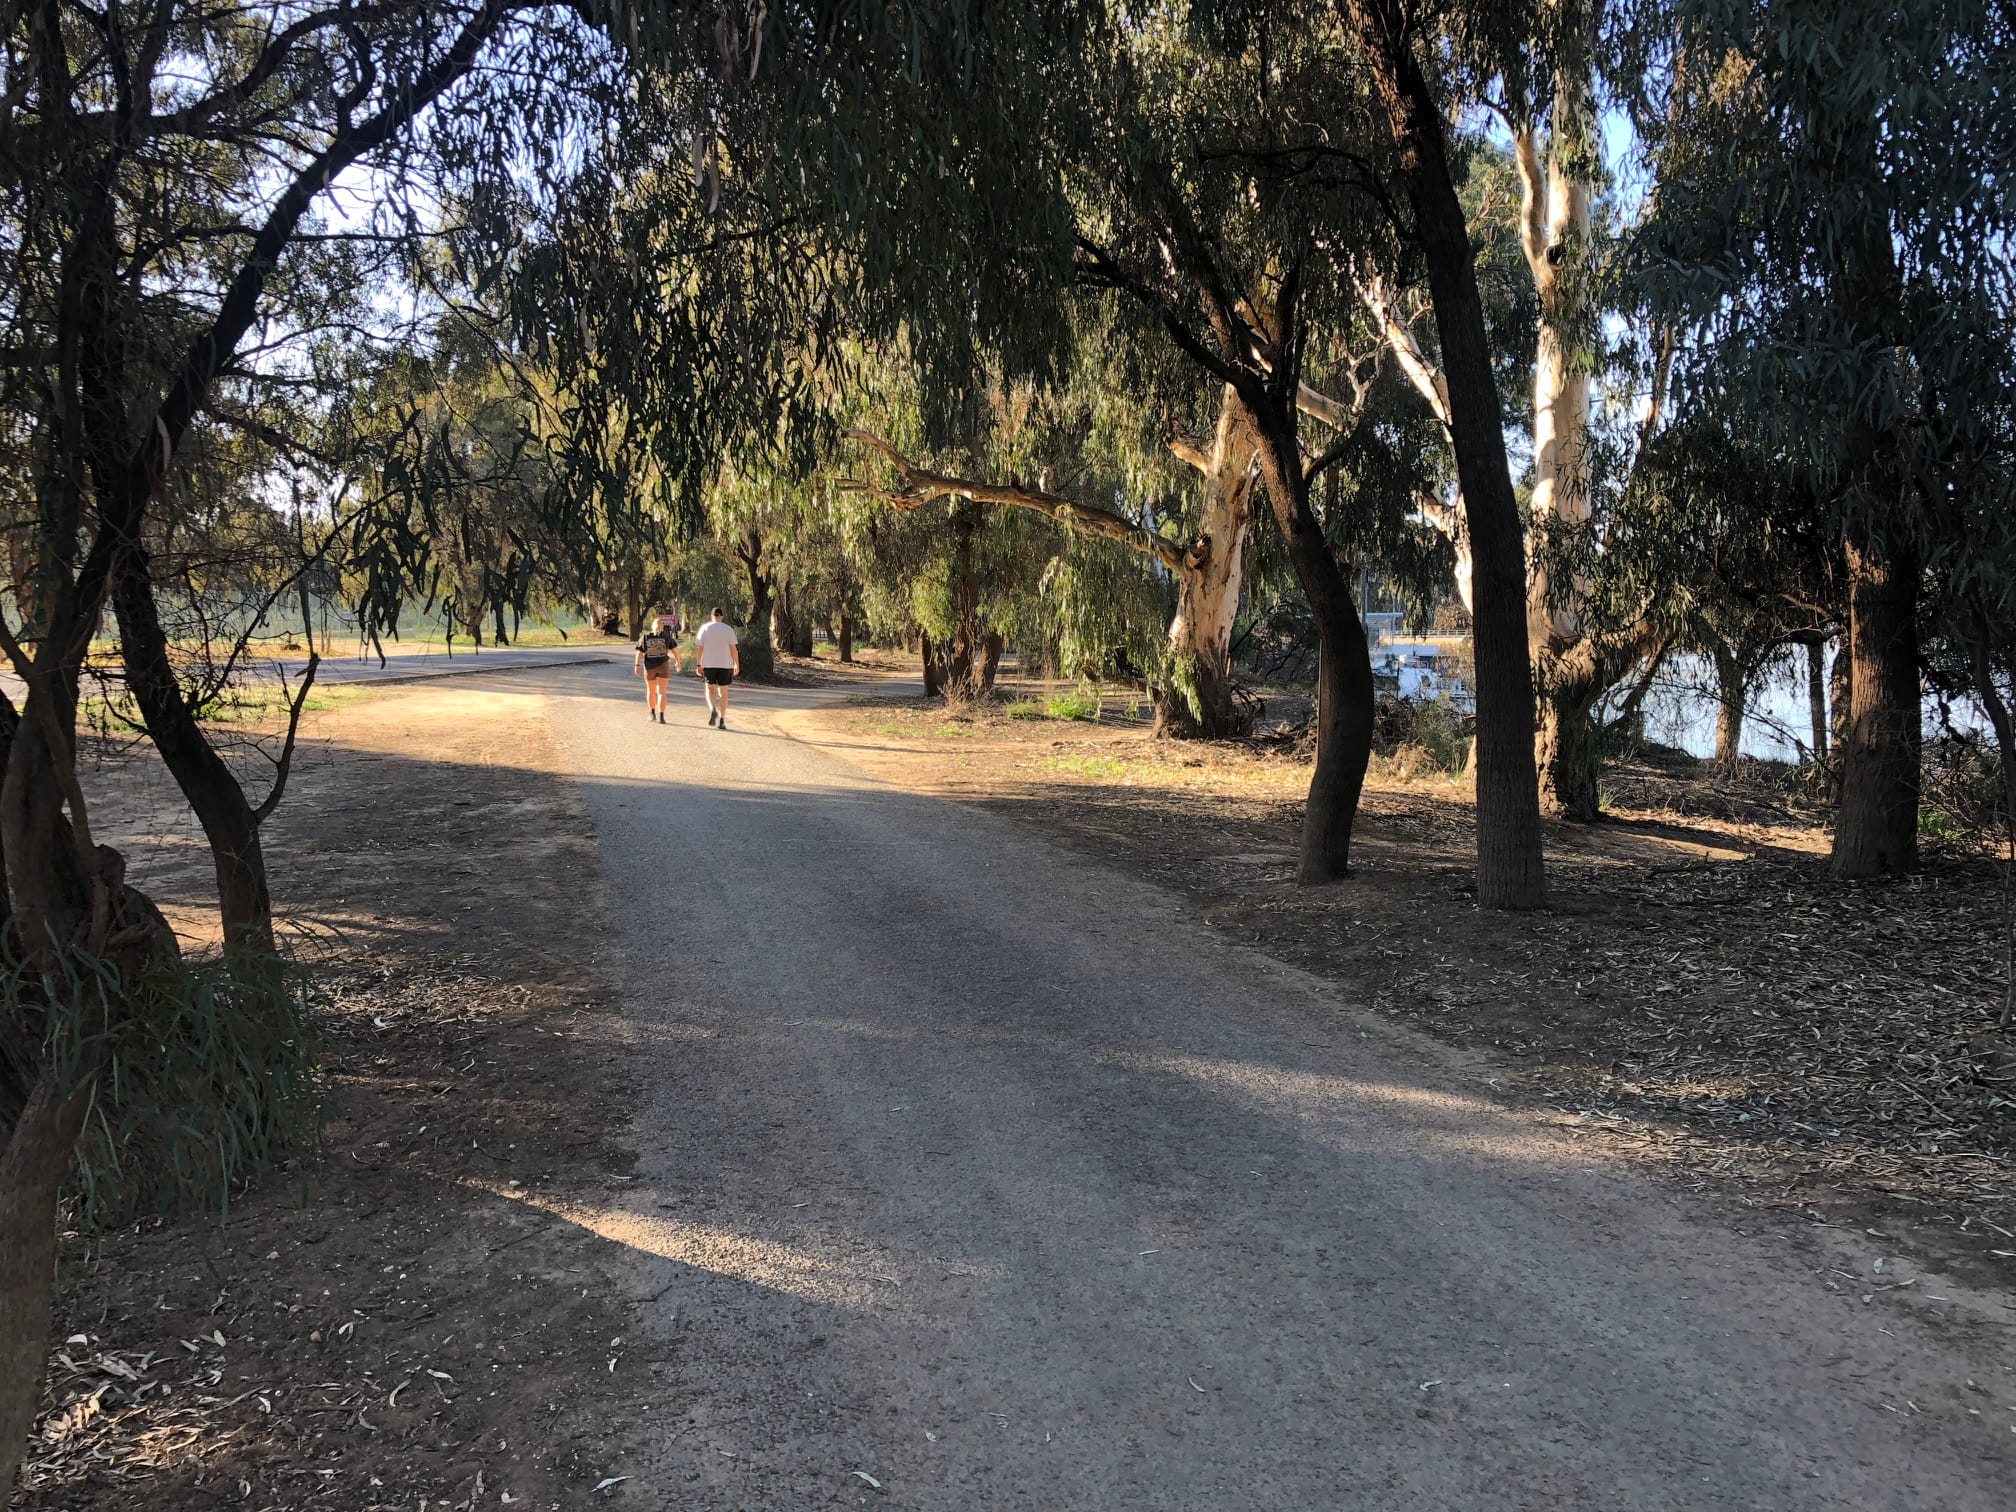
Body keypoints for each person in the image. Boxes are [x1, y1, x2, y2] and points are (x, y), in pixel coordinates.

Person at [694, 607, 740, 729]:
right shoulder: (728, 629)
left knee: (709, 689)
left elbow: (700, 648)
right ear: (722, 616)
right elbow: (733, 648)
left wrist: (698, 664)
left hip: (709, 664)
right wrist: (736, 664)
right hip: (725, 664)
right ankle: (722, 720)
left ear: (711, 616)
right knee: (723, 693)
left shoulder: (705, 628)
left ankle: (713, 708)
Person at [632, 609, 680, 723]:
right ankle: (662, 717)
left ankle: (652, 714)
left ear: (652, 626)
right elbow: (675, 651)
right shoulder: (667, 637)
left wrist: (637, 665)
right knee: (662, 692)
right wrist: (678, 662)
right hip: (663, 666)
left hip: (649, 668)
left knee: (651, 691)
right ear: (662, 626)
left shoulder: (645, 637)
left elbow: (639, 652)